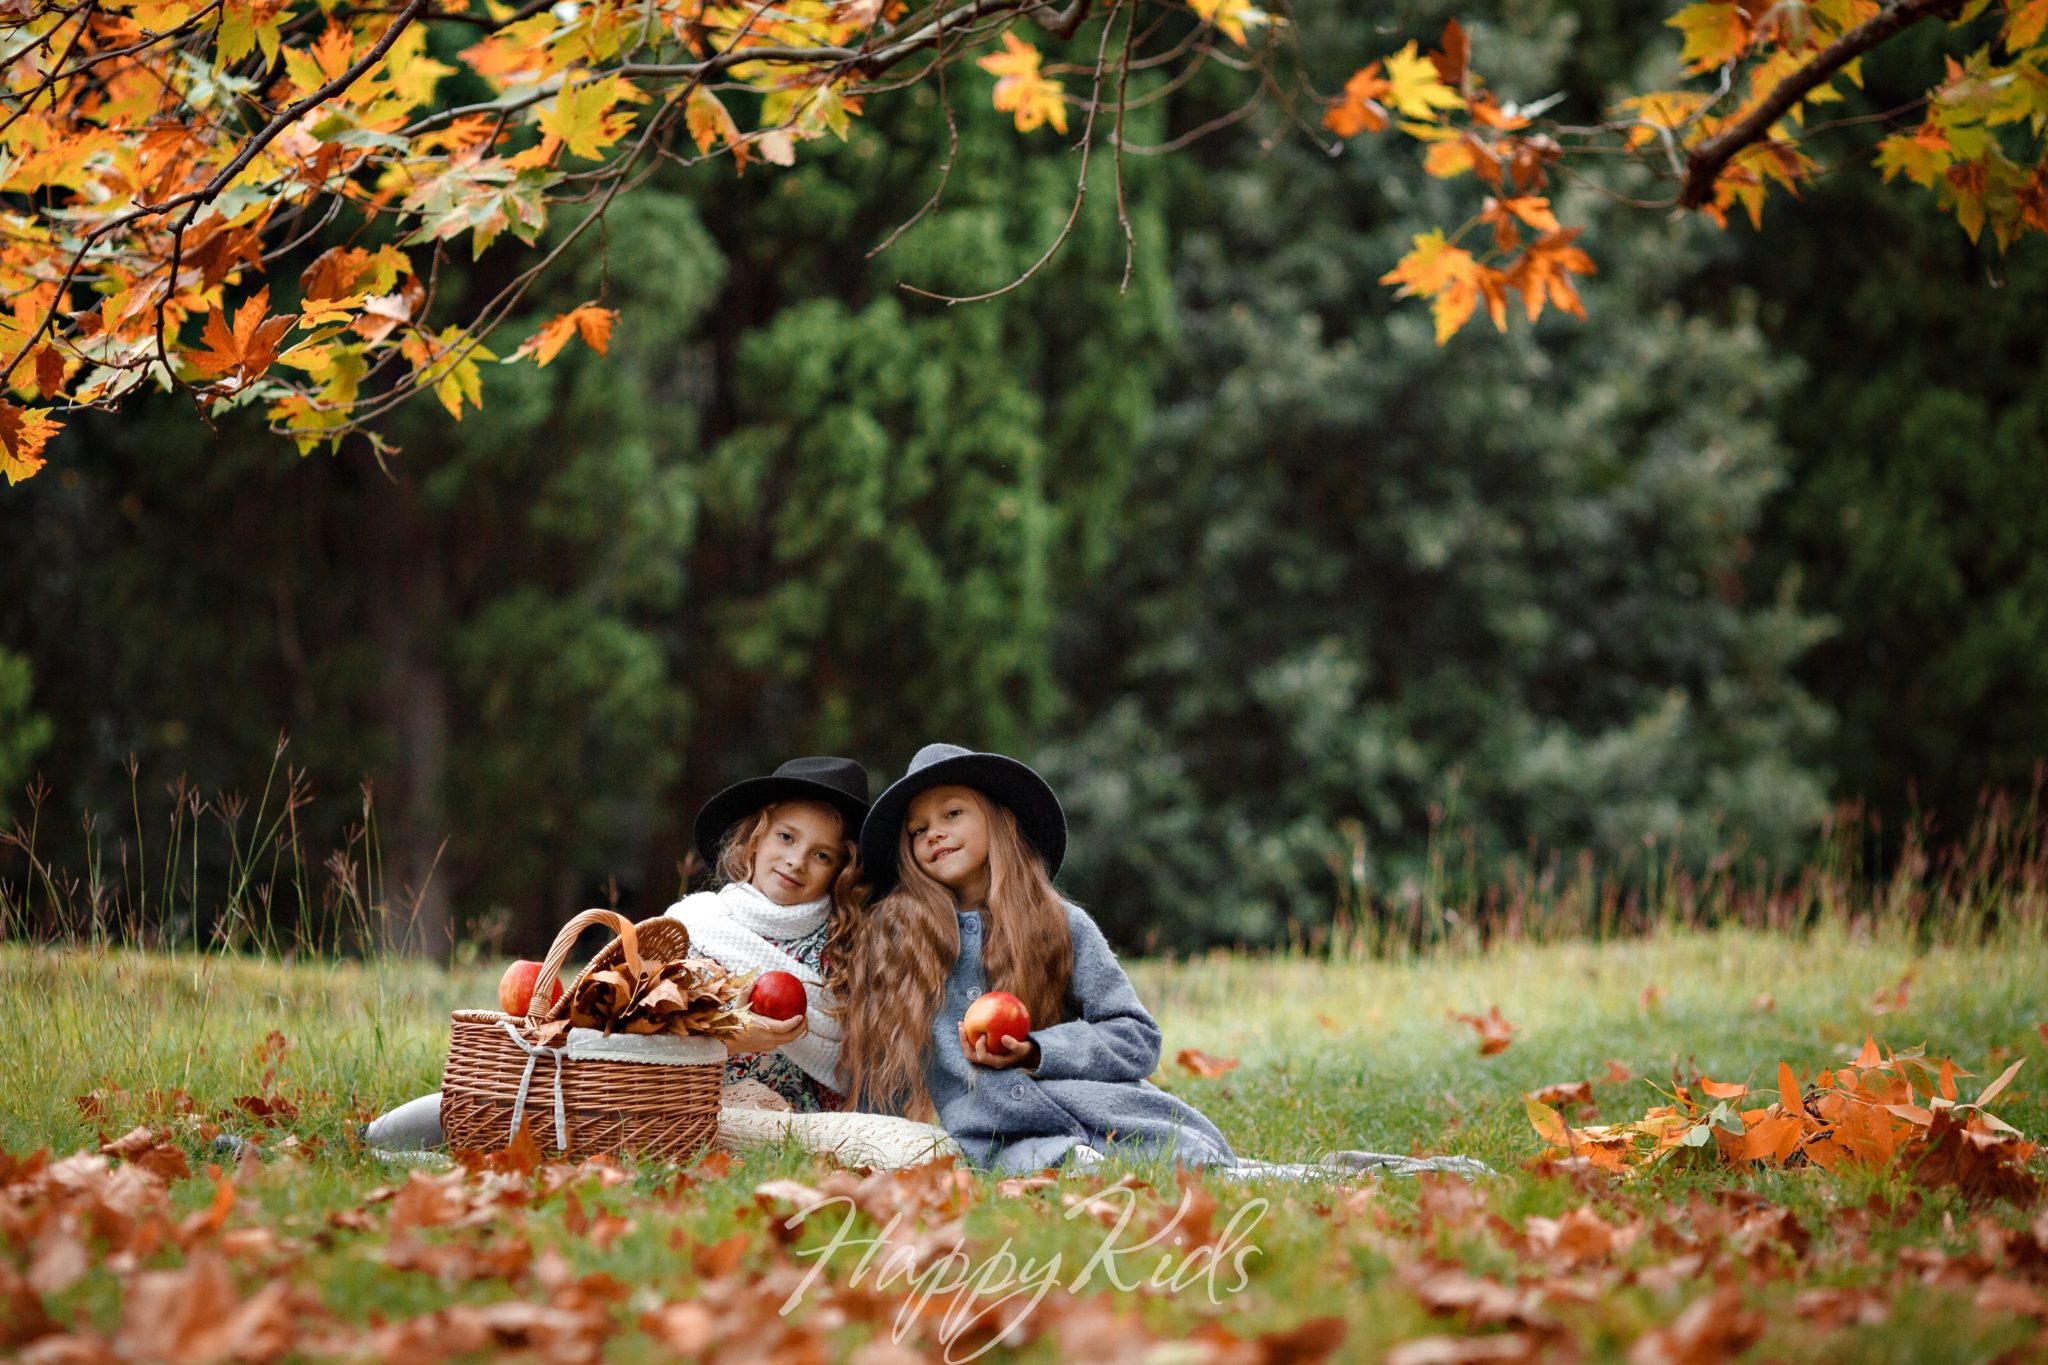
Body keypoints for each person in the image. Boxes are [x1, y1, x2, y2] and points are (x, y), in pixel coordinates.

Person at [836, 743, 1491, 1184]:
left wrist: (1038, 1051)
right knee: (1094, 1175)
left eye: (952, 813)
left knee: (1208, 1171)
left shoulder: (1060, 926)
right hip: (998, 1145)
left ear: (999, 824)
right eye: (918, 828)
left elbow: (1135, 1038)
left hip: (1103, 1113)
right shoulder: (899, 940)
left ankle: (1384, 1171)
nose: (934, 834)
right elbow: (883, 1066)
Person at [362, 756, 961, 1170]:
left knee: (759, 1128)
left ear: (842, 870)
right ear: (755, 840)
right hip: (668, 1084)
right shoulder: (695, 924)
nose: (796, 861)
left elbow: (854, 1054)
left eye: (822, 854)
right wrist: (731, 1033)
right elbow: (639, 1023)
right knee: (570, 1089)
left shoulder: (843, 950)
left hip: (782, 1113)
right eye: (785, 837)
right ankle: (433, 1125)